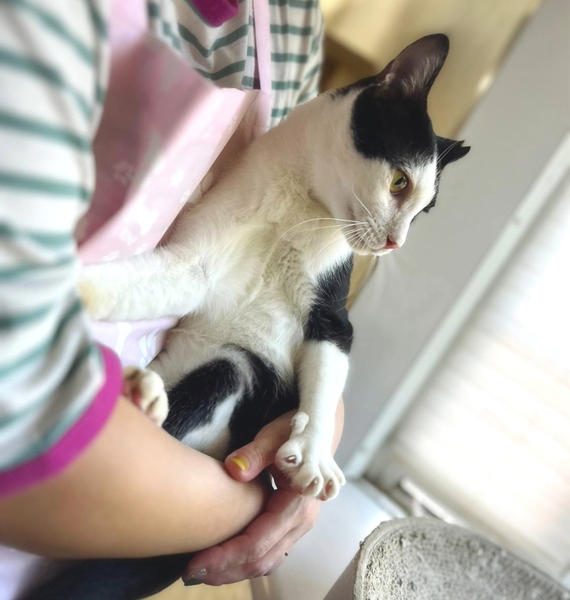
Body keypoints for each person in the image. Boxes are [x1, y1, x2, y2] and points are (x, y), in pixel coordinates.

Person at [0, 0, 343, 592]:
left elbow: (297, 297)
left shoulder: (294, 21)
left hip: (139, 510)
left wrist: (319, 429)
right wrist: (251, 505)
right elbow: (21, 428)